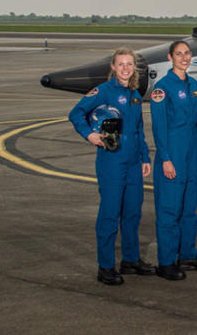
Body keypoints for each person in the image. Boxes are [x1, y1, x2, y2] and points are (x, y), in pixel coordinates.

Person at [69, 47, 153, 286]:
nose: (126, 68)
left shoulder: (135, 94)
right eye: (121, 64)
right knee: (109, 214)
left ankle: (131, 260)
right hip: (112, 161)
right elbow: (76, 114)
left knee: (133, 213)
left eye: (130, 64)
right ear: (113, 67)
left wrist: (145, 157)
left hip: (134, 163)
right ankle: (105, 267)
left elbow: (138, 129)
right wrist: (90, 135)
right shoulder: (103, 91)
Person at [149, 41, 197, 281]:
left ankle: (187, 253)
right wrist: (165, 158)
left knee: (188, 209)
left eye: (187, 53)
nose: (184, 58)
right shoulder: (162, 87)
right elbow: (159, 127)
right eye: (179, 54)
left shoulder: (194, 85)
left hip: (190, 154)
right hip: (172, 154)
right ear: (170, 57)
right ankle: (166, 261)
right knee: (169, 210)